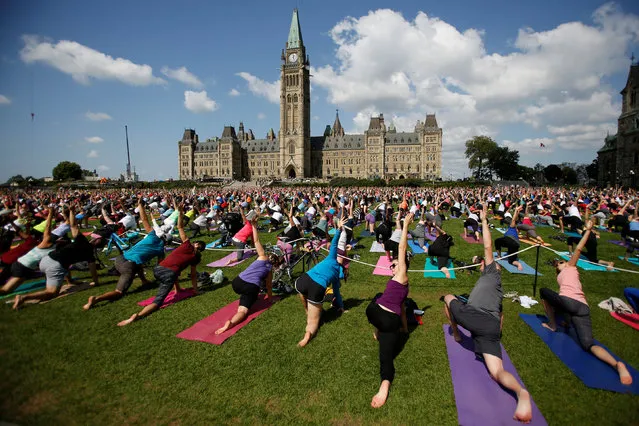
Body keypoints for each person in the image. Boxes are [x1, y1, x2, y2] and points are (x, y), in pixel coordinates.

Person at [443, 203, 532, 423]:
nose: (483, 264)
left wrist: (483, 221)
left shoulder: (492, 272)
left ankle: (455, 333)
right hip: (490, 328)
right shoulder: (495, 287)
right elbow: (500, 317)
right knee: (497, 372)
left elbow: (488, 247)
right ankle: (521, 393)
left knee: (447, 297)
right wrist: (495, 335)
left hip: (473, 317)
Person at [540, 221, 632, 386]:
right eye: (558, 263)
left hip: (570, 303)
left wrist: (588, 230)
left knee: (543, 291)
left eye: (561, 262)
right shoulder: (561, 275)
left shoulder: (571, 266)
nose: (560, 263)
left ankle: (553, 325)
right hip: (581, 308)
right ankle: (617, 365)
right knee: (588, 344)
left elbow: (579, 248)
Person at [117, 205, 206, 326]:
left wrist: (180, 213)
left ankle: (177, 289)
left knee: (175, 271)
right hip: (169, 274)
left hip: (157, 270)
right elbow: (194, 275)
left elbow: (180, 226)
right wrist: (195, 290)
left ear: (195, 243)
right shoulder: (196, 257)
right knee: (158, 300)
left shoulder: (187, 245)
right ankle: (138, 316)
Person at [13, 205, 100, 310]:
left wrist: (72, 211)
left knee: (66, 263)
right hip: (54, 266)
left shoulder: (81, 240)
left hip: (45, 260)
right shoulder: (89, 254)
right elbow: (92, 269)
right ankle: (23, 298)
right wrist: (95, 282)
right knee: (52, 293)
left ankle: (69, 281)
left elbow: (73, 225)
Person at [83, 199, 165, 310]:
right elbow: (159, 267)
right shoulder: (160, 249)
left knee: (138, 263)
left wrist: (140, 205)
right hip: (128, 266)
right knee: (119, 292)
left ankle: (144, 280)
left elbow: (145, 219)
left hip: (120, 258)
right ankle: (96, 299)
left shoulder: (152, 236)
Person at [366, 213, 412, 408]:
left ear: (402, 266)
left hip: (377, 314)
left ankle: (377, 330)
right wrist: (405, 329)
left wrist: (405, 224)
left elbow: (401, 247)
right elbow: (401, 309)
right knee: (386, 359)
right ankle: (384, 386)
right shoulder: (404, 286)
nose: (392, 265)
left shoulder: (402, 273)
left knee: (374, 300)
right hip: (390, 322)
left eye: (394, 264)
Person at [215, 216, 282, 335]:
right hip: (251, 287)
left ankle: (242, 301)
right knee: (243, 311)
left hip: (237, 282)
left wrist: (254, 226)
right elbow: (269, 287)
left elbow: (256, 241)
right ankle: (231, 323)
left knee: (247, 293)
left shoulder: (262, 256)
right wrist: (270, 299)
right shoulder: (270, 270)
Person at [295, 218, 345, 347]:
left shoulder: (332, 258)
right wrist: (341, 307)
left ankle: (306, 308)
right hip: (317, 287)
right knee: (313, 322)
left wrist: (339, 230)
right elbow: (337, 294)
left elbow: (334, 243)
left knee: (301, 290)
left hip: (303, 280)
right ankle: (307, 336)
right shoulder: (335, 278)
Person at [494, 205, 524, 271]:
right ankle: (518, 264)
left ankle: (499, 256)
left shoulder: (512, 227)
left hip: (510, 240)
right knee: (511, 261)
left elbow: (513, 219)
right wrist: (517, 212)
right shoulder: (514, 232)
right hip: (515, 245)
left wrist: (516, 210)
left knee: (497, 241)